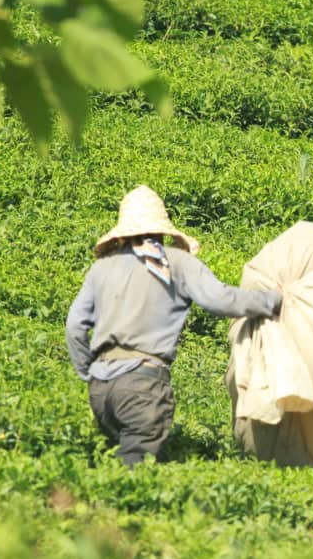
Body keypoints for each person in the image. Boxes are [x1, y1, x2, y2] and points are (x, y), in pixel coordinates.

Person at [66, 184, 281, 466]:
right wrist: (274, 300)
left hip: (100, 388)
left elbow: (74, 326)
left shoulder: (102, 267)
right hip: (142, 383)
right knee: (135, 471)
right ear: (162, 227)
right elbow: (221, 300)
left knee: (108, 462)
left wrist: (88, 372)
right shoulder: (176, 263)